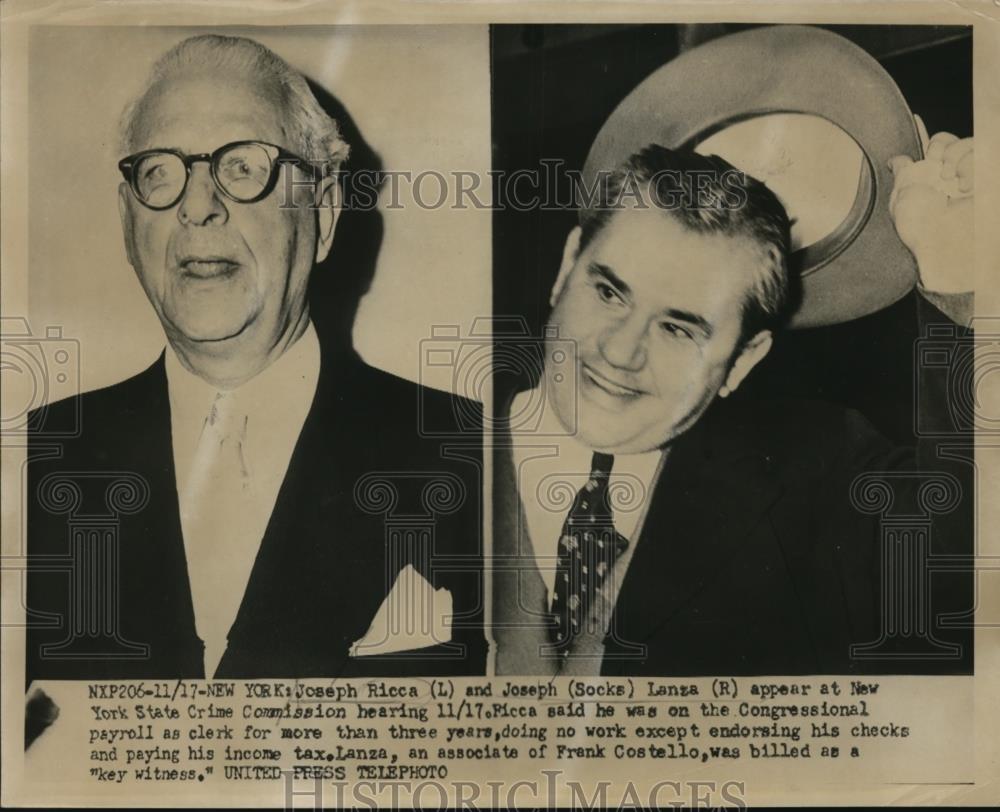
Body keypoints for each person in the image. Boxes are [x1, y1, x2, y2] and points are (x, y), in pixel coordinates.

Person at [25, 34, 484, 681]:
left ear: (323, 214)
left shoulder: (470, 457)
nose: (198, 207)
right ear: (127, 222)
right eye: (159, 171)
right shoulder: (32, 460)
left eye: (243, 168)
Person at [493, 140, 975, 676]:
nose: (620, 351)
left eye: (677, 328)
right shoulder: (404, 447)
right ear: (567, 267)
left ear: (743, 360)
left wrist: (956, 279)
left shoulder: (811, 469)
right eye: (609, 293)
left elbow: (962, 565)